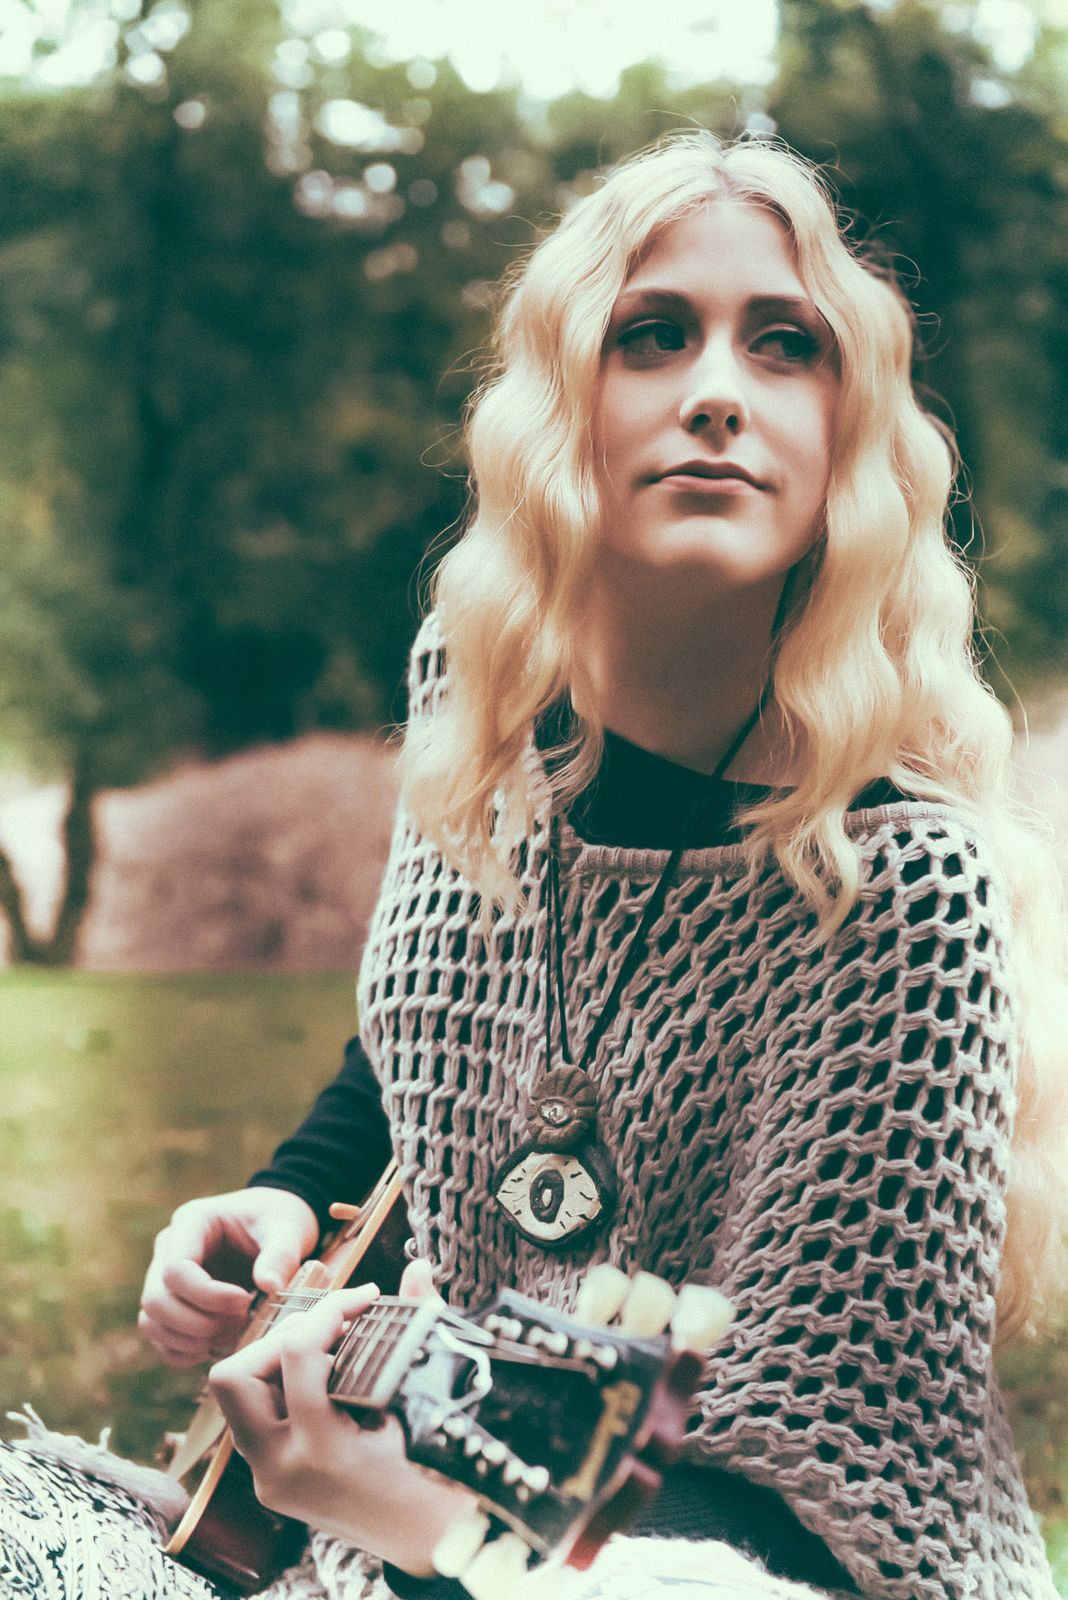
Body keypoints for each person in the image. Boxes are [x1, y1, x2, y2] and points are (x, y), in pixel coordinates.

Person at [3, 129, 1066, 1600]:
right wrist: (288, 1203)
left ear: (848, 439)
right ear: (562, 411)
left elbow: (820, 1532)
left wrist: (419, 1516)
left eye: (785, 345)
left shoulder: (898, 900)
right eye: (652, 335)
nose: (716, 390)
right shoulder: (485, 737)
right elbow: (431, 1039)